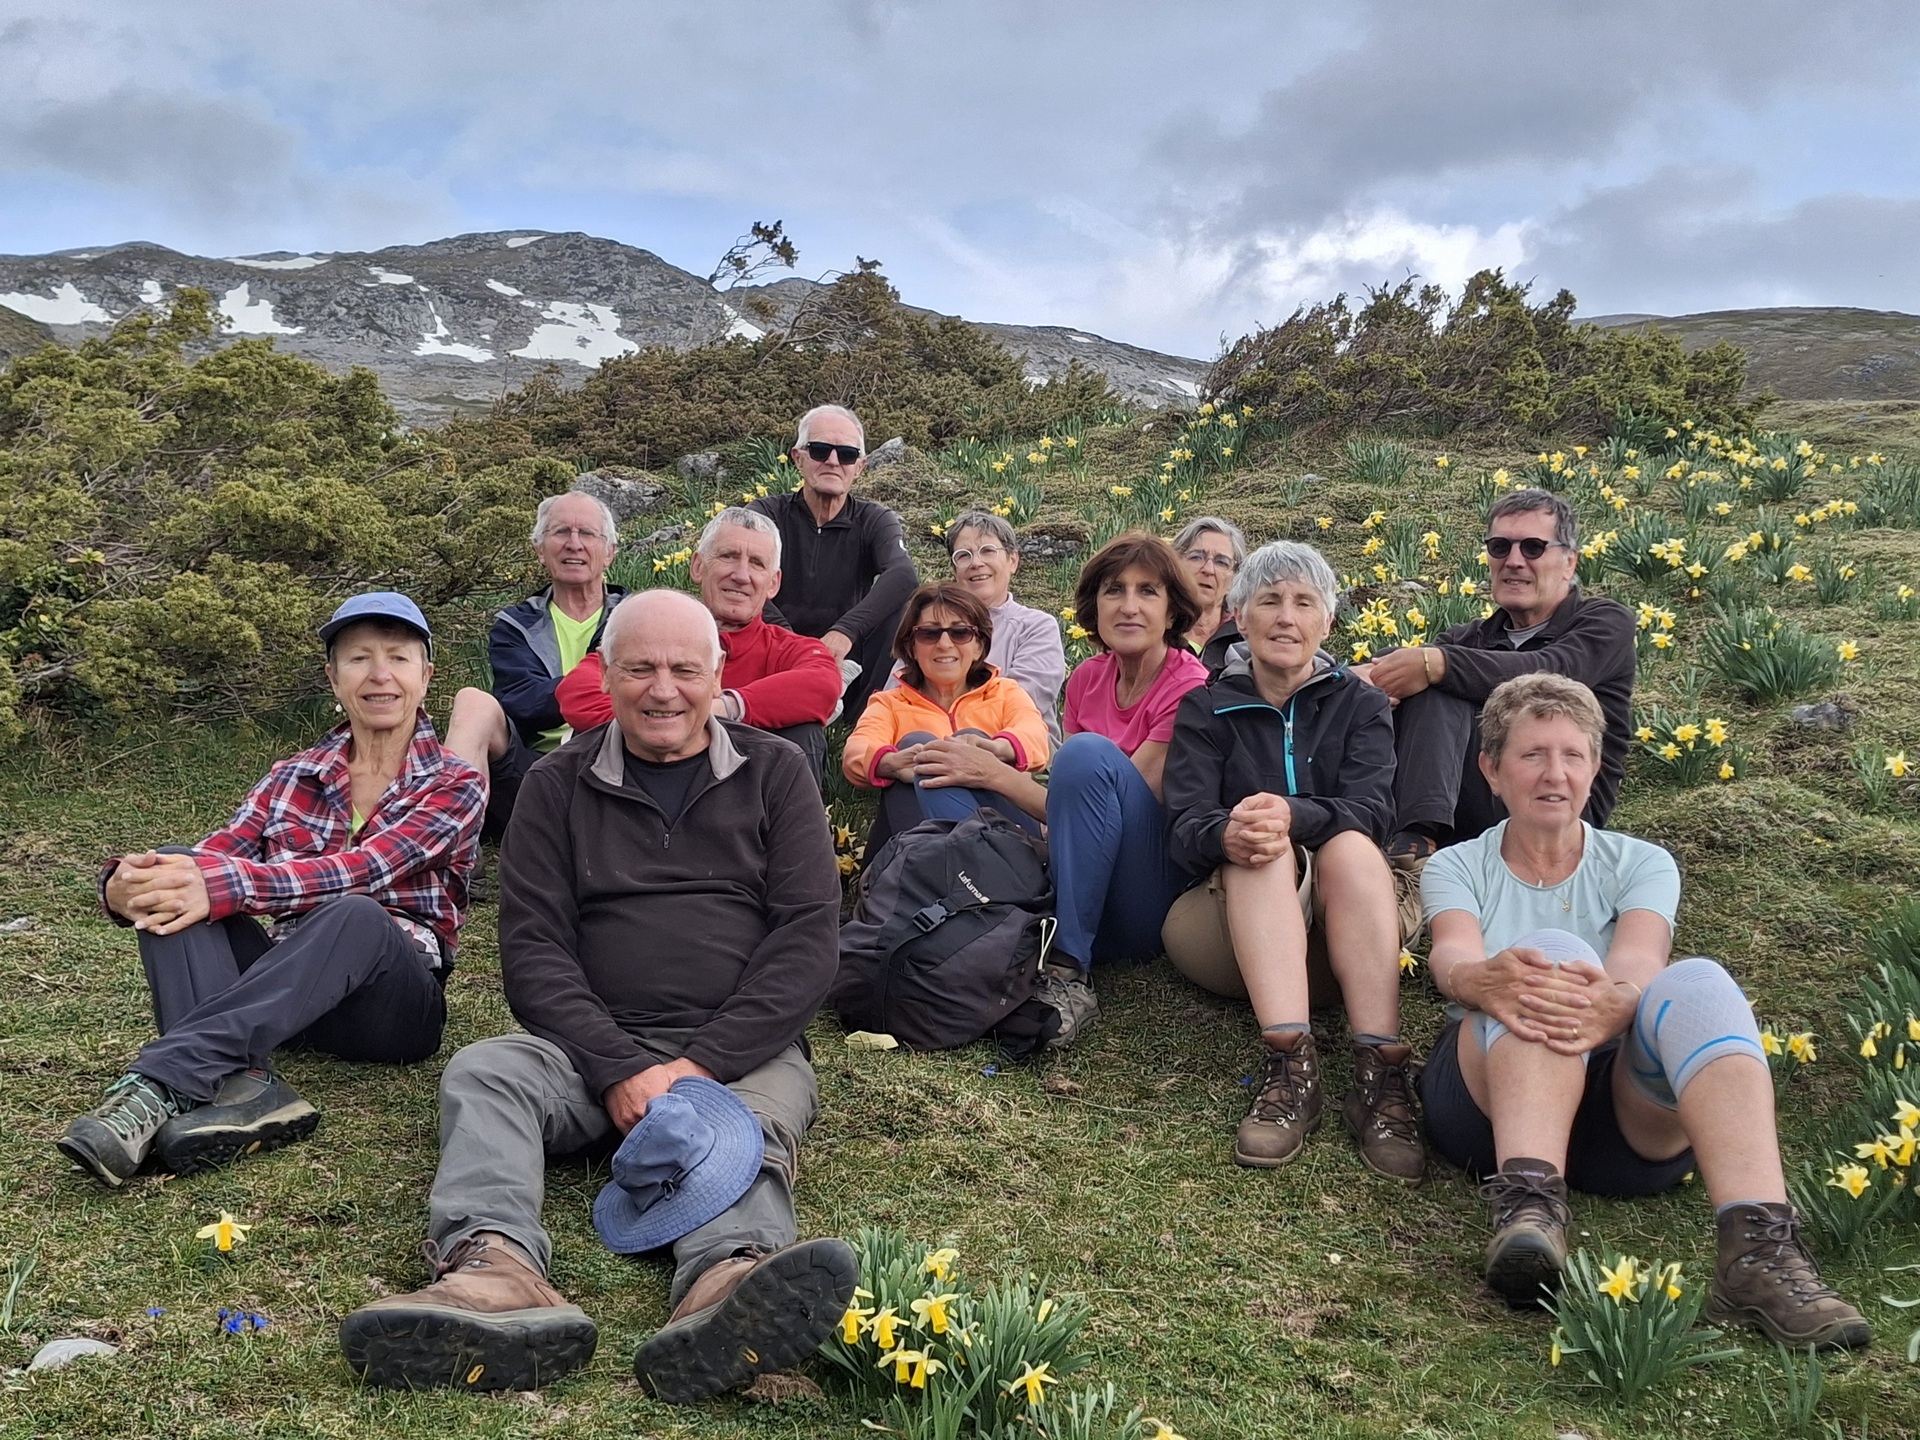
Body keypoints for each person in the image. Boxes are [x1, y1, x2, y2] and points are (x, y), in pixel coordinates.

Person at [339, 589, 857, 1399]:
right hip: (586, 1055)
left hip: (740, 1055)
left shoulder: (776, 773)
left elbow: (805, 942)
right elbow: (534, 951)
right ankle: (494, 1268)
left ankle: (727, 1285)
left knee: (750, 1129)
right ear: (605, 677)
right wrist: (619, 1066)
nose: (663, 690)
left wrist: (697, 1068)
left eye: (685, 669)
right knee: (486, 1073)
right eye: (640, 668)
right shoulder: (556, 783)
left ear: (717, 675)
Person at [1417, 673, 1868, 1347]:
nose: (1555, 774)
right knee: (1550, 955)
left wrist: (1619, 1003)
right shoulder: (1456, 865)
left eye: (1573, 755)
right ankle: (1528, 1210)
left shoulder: (1642, 862)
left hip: (1620, 1121)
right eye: (1533, 754)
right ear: (1492, 770)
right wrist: (1483, 981)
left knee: (1701, 980)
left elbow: (1639, 960)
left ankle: (1761, 1252)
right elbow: (1451, 955)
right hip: (1489, 1106)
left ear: (1594, 767)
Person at [57, 593, 484, 1187]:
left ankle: (167, 1080)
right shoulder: (292, 774)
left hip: (390, 1008)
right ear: (333, 677)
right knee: (182, 866)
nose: (379, 675)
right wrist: (122, 887)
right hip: (289, 1000)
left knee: (355, 912)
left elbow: (364, 869)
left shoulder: (455, 783)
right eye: (359, 658)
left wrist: (225, 885)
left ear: (425, 676)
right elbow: (216, 855)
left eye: (397, 658)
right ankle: (245, 1087)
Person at [1160, 542, 1422, 1181]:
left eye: (1304, 603)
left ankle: (1381, 1075)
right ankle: (1289, 1067)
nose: (1286, 617)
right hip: (1237, 939)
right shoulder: (1206, 707)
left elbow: (1372, 811)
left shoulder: (1359, 704)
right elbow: (1184, 827)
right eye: (1270, 601)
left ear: (1326, 623)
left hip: (1347, 941)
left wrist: (1290, 813)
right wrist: (1229, 833)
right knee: (1259, 849)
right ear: (1239, 617)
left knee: (1353, 847)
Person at [908, 534, 1208, 1049]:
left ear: (1172, 610)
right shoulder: (1088, 677)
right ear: (1095, 606)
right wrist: (980, 766)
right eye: (1114, 590)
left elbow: (1109, 812)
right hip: (1074, 868)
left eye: (1147, 591)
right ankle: (989, 926)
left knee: (1084, 754)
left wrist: (996, 775)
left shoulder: (1188, 685)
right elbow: (1071, 810)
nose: (1129, 606)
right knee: (933, 756)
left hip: (1140, 892)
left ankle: (1068, 967)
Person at [1353, 488, 1633, 871]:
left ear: (1569, 562)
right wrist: (1362, 678)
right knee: (1400, 688)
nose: (1514, 561)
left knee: (1440, 684)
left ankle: (1416, 842)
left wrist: (1437, 666)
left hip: (1556, 807)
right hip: (1470, 803)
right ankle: (1374, 828)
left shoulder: (1604, 623)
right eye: (1500, 547)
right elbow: (1412, 666)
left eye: (1533, 548)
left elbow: (1550, 671)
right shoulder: (1471, 638)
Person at [555, 507, 841, 782]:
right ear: (698, 567)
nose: (741, 575)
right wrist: (660, 722)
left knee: (803, 733)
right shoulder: (649, 632)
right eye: (728, 556)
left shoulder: (787, 649)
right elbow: (578, 691)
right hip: (644, 785)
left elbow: (823, 684)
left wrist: (722, 709)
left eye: (757, 563)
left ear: (773, 583)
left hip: (747, 800)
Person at [446, 490, 628, 836]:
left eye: (587, 533)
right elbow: (519, 703)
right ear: (540, 550)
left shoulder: (636, 617)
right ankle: (452, 842)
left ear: (610, 552)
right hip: (532, 771)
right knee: (473, 702)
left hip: (618, 763)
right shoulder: (514, 625)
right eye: (561, 532)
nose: (574, 544)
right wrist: (587, 689)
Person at [843, 583, 1050, 843]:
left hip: (1004, 828)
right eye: (929, 634)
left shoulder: (1004, 692)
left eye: (960, 633)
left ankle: (969, 855)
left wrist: (995, 748)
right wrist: (891, 764)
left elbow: (1035, 737)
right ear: (912, 647)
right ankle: (968, 856)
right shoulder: (889, 703)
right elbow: (857, 750)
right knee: (917, 746)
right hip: (922, 833)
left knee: (969, 738)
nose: (944, 644)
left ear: (979, 646)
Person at [748, 404, 918, 718]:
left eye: (847, 455)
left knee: (903, 608)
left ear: (860, 467)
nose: (833, 461)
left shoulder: (873, 519)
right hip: (774, 649)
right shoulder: (765, 514)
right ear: (798, 457)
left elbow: (903, 574)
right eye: (820, 450)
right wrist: (793, 643)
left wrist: (845, 631)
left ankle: (862, 715)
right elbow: (739, 575)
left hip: (847, 660)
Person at [886, 510, 1066, 743]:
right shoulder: (928, 629)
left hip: (1014, 752)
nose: (976, 563)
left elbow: (1022, 703)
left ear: (1013, 561)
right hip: (927, 747)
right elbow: (894, 696)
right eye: (964, 555)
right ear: (954, 570)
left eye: (988, 551)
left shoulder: (1036, 628)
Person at [1173, 516, 1247, 673]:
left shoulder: (1245, 637)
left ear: (1235, 577)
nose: (1208, 569)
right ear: (1175, 564)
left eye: (1221, 562)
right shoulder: (1157, 631)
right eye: (1196, 557)